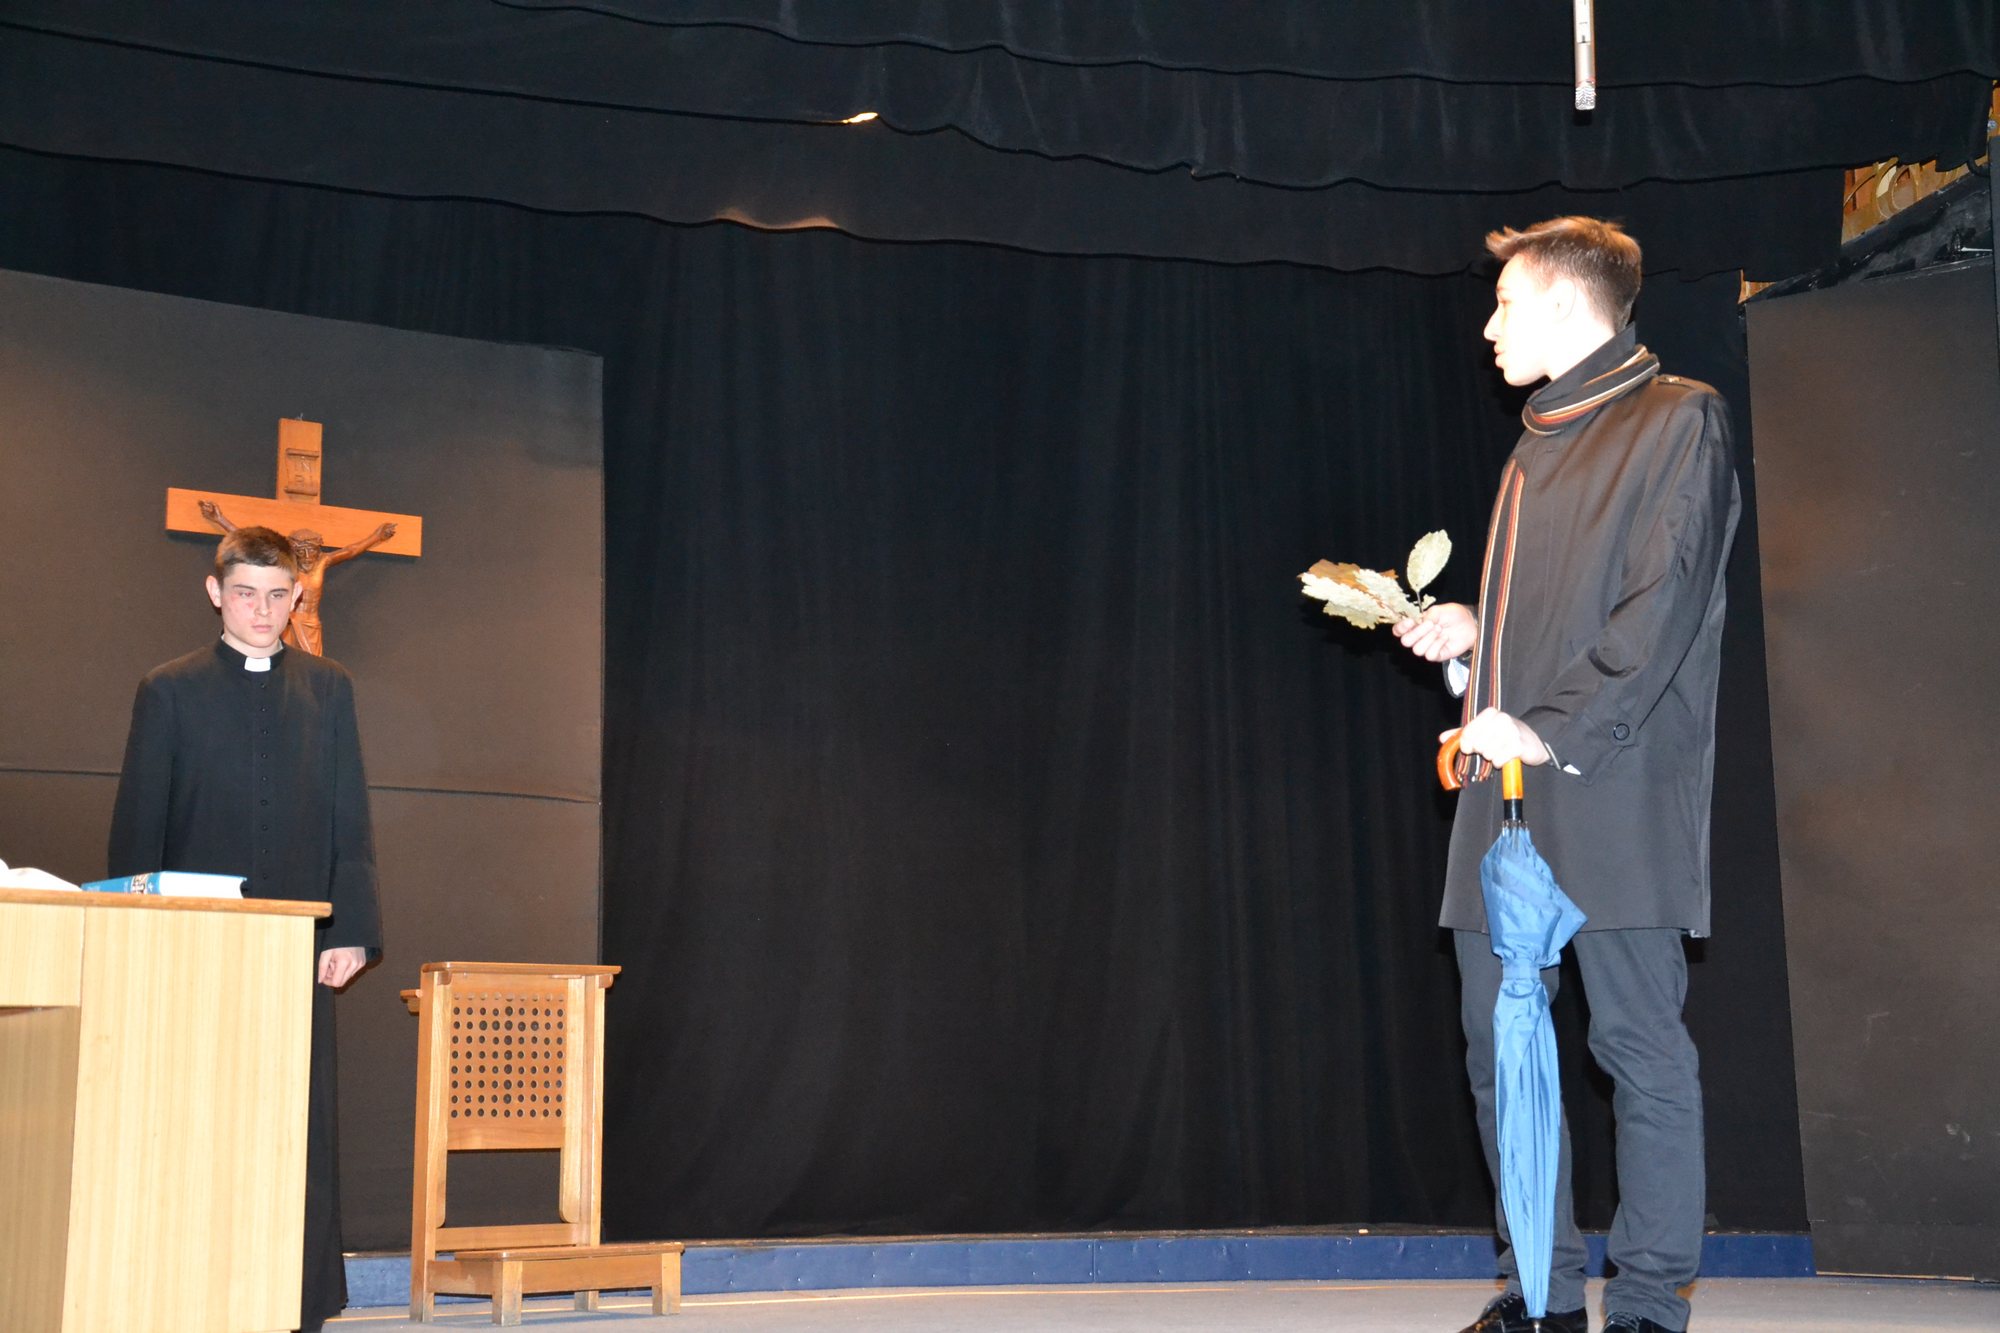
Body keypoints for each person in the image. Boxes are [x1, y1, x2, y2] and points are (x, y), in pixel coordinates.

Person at [1395, 216, 1739, 1333]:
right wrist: (1470, 633)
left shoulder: (1677, 417)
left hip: (1609, 781)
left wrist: (1546, 729)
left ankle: (1645, 1302)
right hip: (1506, 790)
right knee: (1500, 1049)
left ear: (1560, 300)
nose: (1488, 328)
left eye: (1504, 303)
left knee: (1634, 1044)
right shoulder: (1532, 445)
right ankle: (1538, 1293)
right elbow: (1548, 620)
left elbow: (1661, 601)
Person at [109, 524, 383, 1333]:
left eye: (275, 595)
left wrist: (351, 927)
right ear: (215, 592)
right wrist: (135, 933)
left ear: (296, 595)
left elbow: (350, 817)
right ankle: (185, 1297)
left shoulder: (331, 689)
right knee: (192, 1119)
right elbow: (137, 827)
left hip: (296, 947)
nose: (261, 611)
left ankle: (295, 1305)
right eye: (244, 593)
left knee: (296, 1125)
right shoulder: (168, 690)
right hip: (193, 949)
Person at [197, 497, 398, 655]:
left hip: (310, 624)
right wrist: (219, 519)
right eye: (301, 551)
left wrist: (377, 537)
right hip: (288, 622)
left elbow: (350, 551)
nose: (307, 555)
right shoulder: (289, 564)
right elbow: (251, 542)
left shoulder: (323, 562)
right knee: (284, 664)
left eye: (312, 550)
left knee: (313, 669)